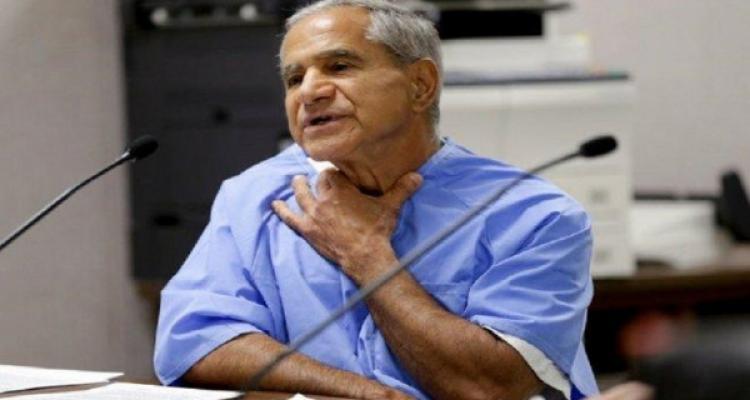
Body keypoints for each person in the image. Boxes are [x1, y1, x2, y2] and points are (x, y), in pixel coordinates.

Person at [154, 1, 598, 399]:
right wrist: (362, 393)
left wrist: (366, 255)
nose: (309, 91)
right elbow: (193, 344)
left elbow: (489, 388)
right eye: (295, 78)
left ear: (420, 86)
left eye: (339, 66)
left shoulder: (536, 217)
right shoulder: (254, 196)